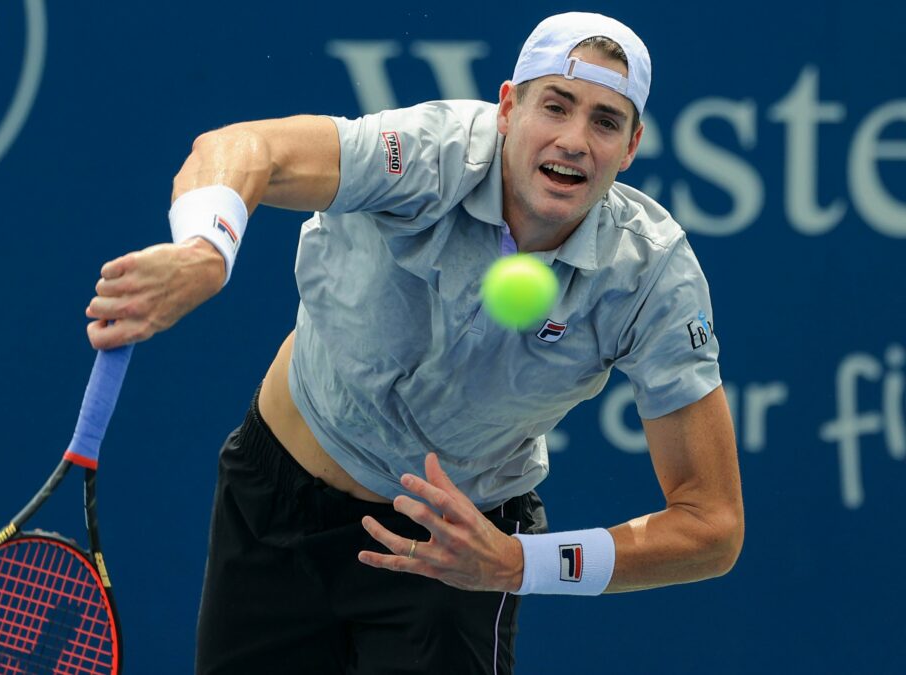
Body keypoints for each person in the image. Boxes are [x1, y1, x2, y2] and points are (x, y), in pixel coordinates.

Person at [86, 12, 744, 674]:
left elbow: (712, 527)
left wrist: (519, 563)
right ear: (509, 108)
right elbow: (251, 147)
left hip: (449, 551)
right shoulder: (427, 154)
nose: (575, 139)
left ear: (630, 147)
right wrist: (207, 249)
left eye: (605, 121)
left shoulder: (651, 274)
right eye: (557, 105)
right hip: (273, 504)